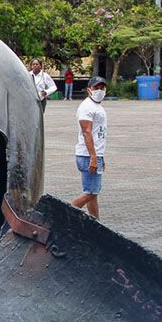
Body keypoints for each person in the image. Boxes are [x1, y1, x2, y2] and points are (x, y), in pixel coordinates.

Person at [71, 77, 109, 219]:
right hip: (88, 156)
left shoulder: (97, 106)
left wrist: (100, 157)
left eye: (102, 87)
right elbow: (86, 132)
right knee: (90, 193)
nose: (99, 90)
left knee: (93, 194)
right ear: (89, 89)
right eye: (96, 87)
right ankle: (60, 216)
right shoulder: (87, 107)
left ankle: (96, 221)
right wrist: (93, 157)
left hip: (94, 155)